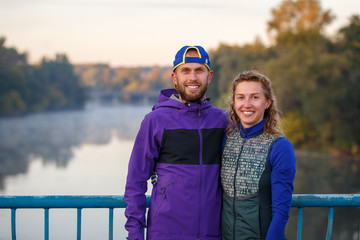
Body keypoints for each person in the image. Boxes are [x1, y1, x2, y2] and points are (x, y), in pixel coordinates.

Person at [124, 45, 229, 240]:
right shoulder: (155, 121)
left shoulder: (222, 121)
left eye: (199, 70)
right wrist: (135, 233)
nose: (193, 77)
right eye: (185, 71)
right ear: (174, 77)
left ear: (209, 76)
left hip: (212, 234)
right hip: (165, 233)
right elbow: (135, 182)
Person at [221, 70, 296, 240]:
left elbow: (281, 213)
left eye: (255, 97)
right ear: (233, 102)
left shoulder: (280, 147)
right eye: (241, 97)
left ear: (267, 102)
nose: (246, 104)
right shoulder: (226, 139)